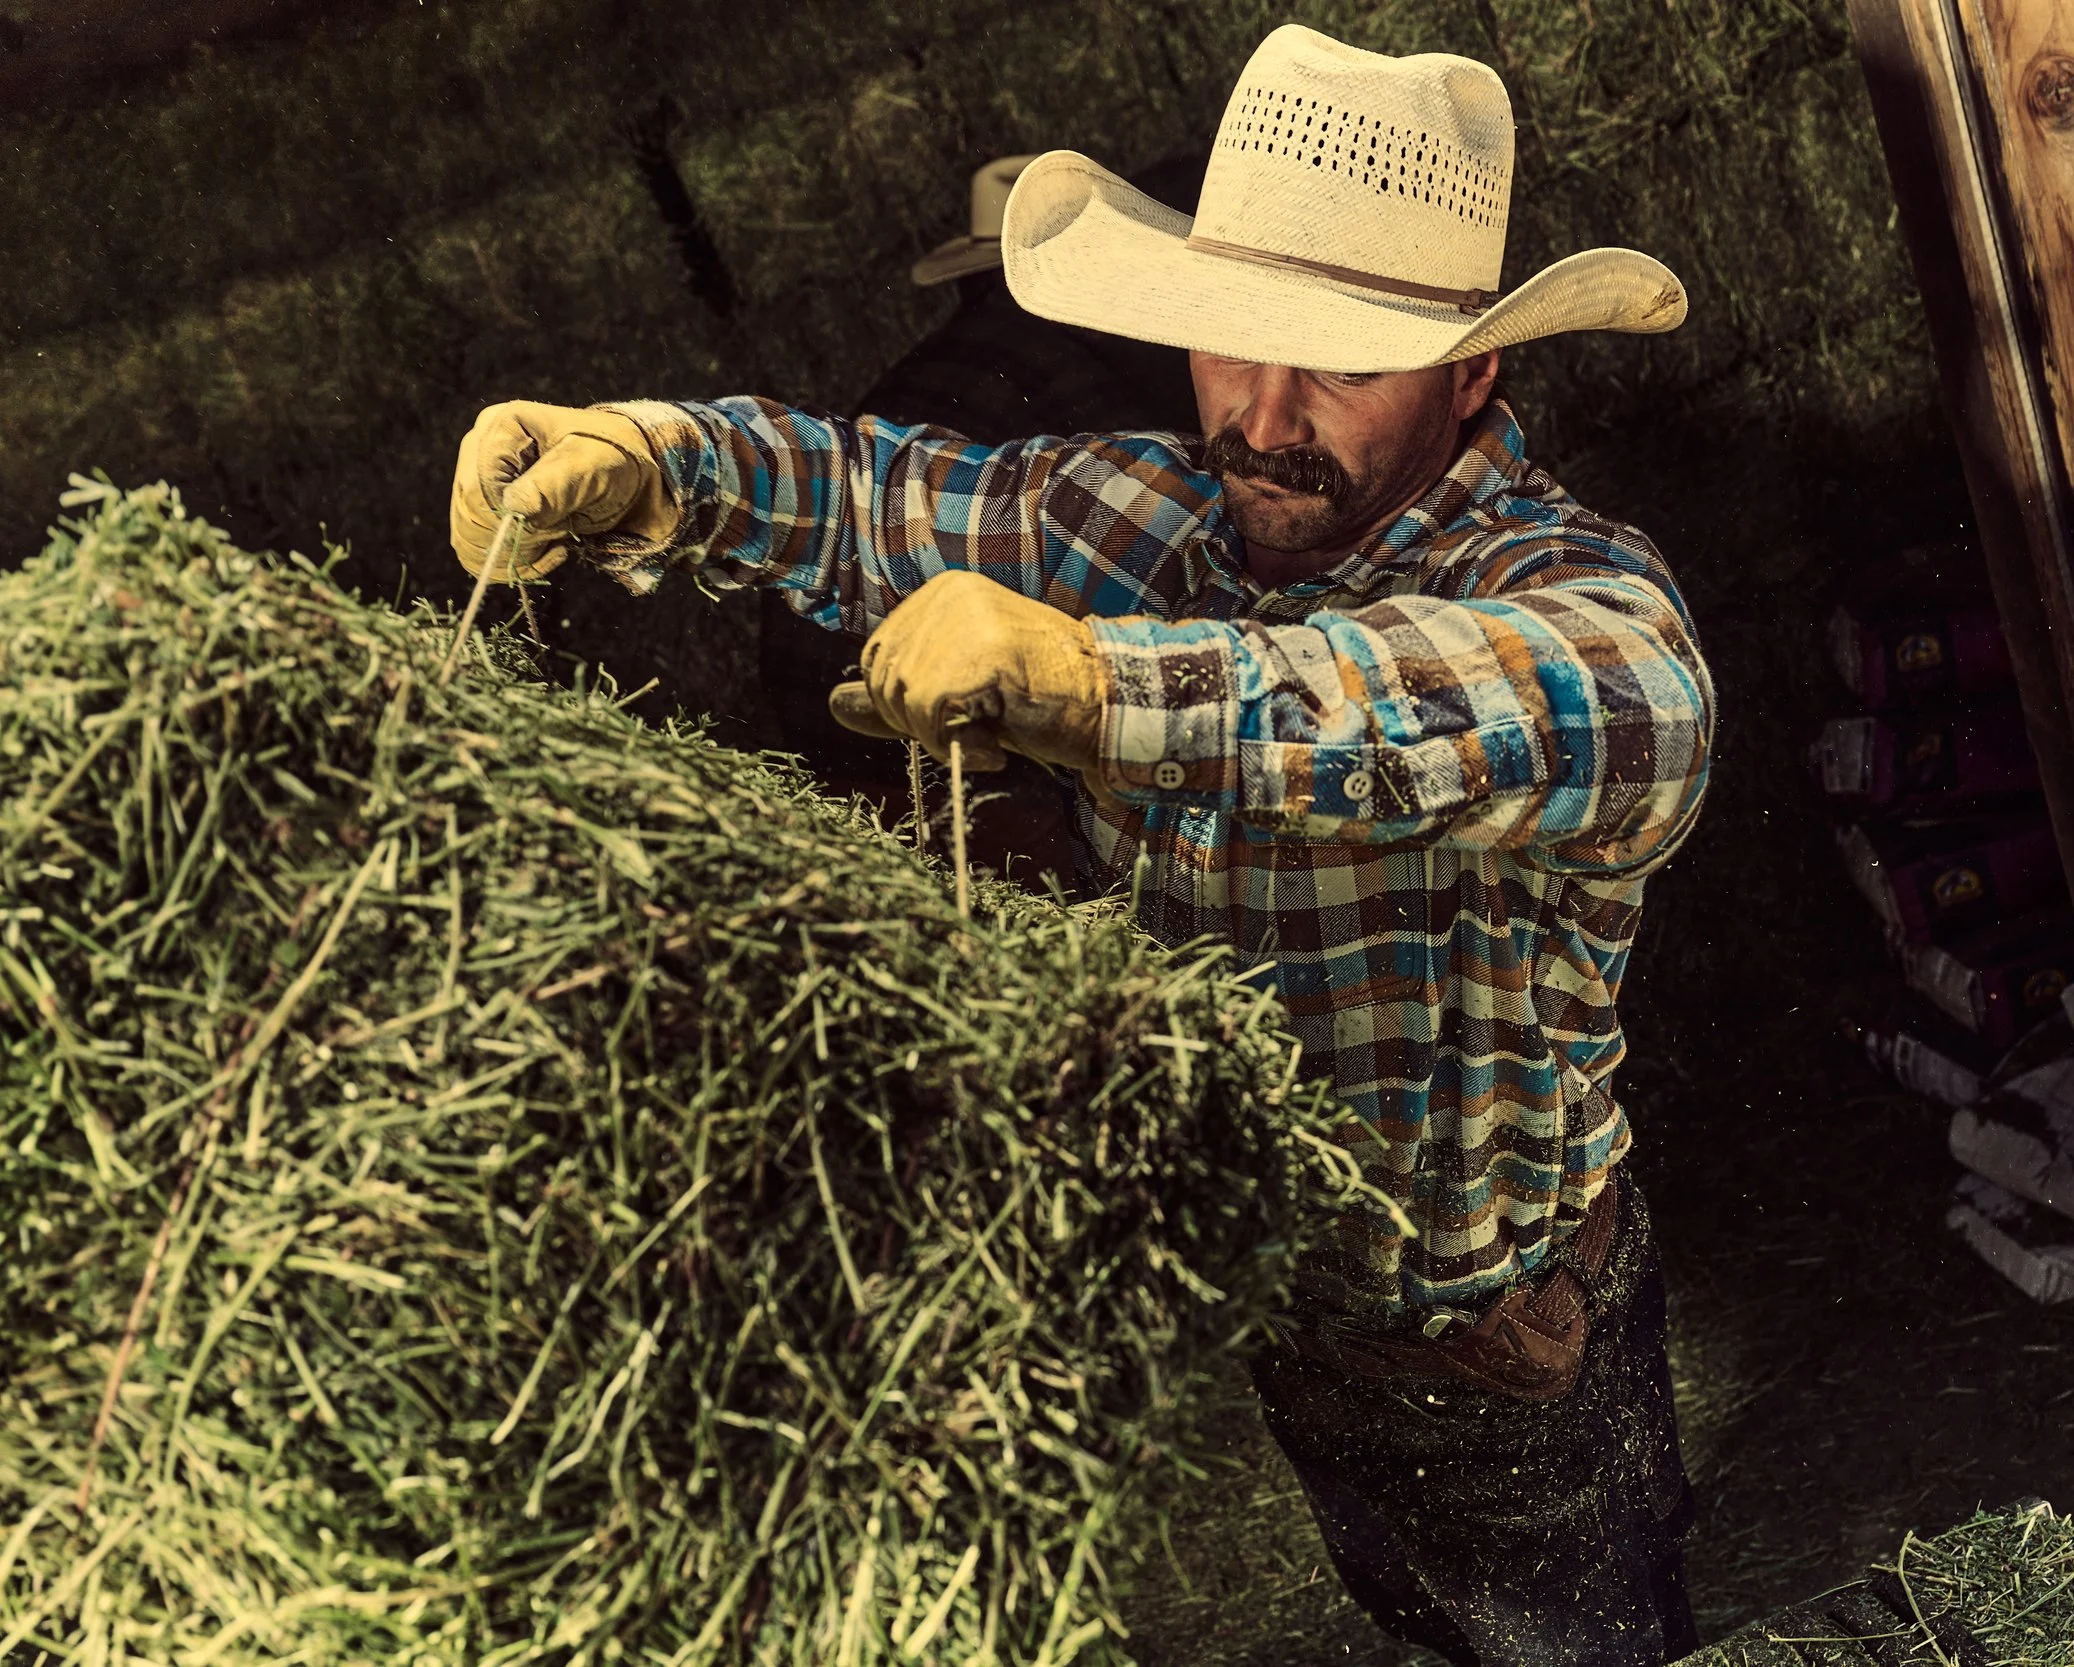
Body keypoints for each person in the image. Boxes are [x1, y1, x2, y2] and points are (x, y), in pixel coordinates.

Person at [446, 24, 1715, 1665]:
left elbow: (1482, 703)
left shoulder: (1572, 589)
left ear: (1474, 373)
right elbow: (856, 489)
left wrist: (1086, 681)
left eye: (1339, 364)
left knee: (1576, 1630)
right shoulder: (1135, 514)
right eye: (1231, 349)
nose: (1262, 417)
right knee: (1406, 1597)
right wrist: (652, 463)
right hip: (1295, 1305)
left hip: (1500, 1327)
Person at [757, 151, 1204, 883]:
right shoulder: (1091, 388)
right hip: (928, 697)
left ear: (970, 283)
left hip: (812, 674)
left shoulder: (929, 364)